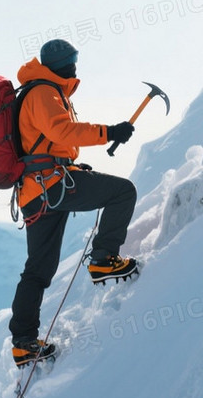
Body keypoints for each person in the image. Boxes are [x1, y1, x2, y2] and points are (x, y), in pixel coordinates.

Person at [9, 38, 139, 368]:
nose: (75, 66)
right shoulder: (44, 92)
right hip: (52, 186)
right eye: (72, 60)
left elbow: (50, 141)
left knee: (38, 269)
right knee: (122, 192)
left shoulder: (39, 91)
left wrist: (70, 165)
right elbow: (64, 132)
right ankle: (103, 260)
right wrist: (110, 132)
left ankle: (24, 343)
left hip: (36, 192)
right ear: (60, 65)